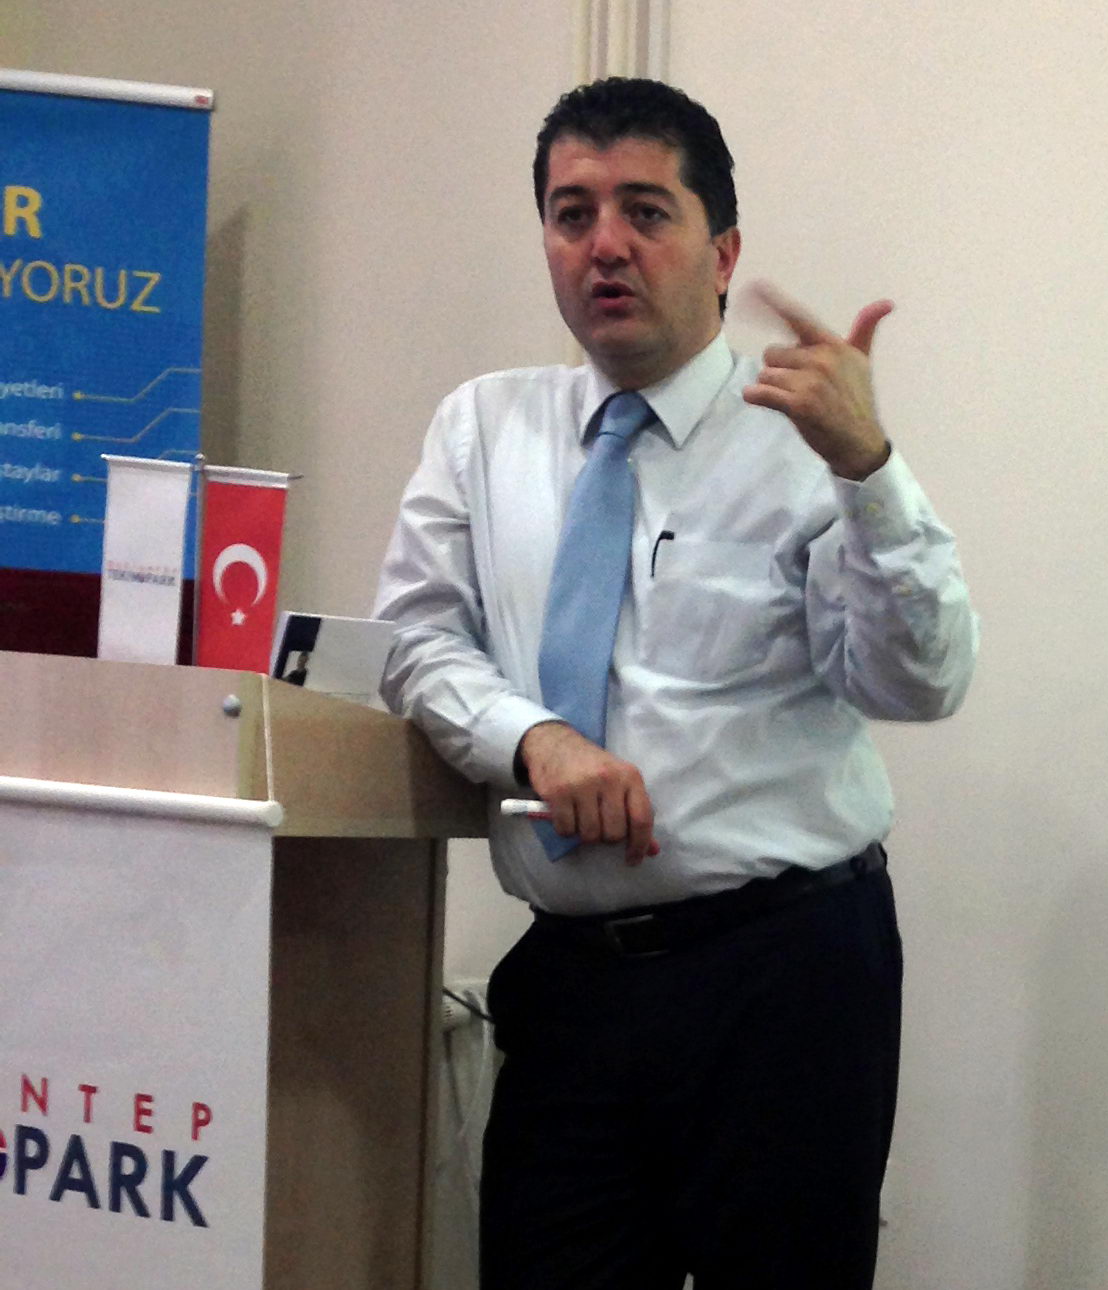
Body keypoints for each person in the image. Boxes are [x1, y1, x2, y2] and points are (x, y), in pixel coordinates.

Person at [374, 76, 978, 1290]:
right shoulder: (484, 428)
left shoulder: (802, 442)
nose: (605, 244)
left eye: (645, 211)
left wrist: (869, 470)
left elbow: (919, 682)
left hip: (783, 978)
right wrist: (535, 739)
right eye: (572, 213)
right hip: (572, 984)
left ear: (723, 252)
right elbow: (415, 642)